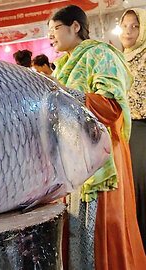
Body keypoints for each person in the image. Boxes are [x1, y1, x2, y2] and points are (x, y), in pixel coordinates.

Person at [48, 5, 146, 270]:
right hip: (75, 161)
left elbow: (112, 107)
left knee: (101, 229)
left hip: (102, 157)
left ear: (75, 26)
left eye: (55, 28)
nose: (51, 37)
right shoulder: (65, 65)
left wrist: (66, 94)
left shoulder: (101, 54)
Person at [119, 7, 146, 250]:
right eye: (125, 25)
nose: (128, 30)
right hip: (123, 131)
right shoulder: (118, 57)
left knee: (140, 188)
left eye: (135, 26)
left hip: (141, 129)